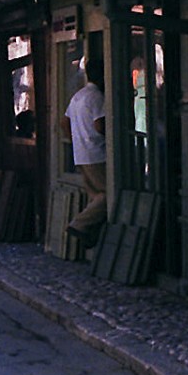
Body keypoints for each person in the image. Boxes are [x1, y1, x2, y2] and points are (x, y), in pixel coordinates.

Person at [61, 58, 107, 248]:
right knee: (108, 194)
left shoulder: (78, 96)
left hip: (81, 154)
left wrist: (76, 141)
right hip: (97, 154)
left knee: (95, 196)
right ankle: (79, 224)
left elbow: (64, 123)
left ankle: (91, 234)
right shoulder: (96, 97)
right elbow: (99, 125)